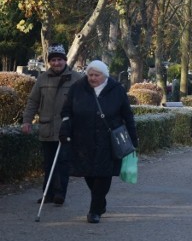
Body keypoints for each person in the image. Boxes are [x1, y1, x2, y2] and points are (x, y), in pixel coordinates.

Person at [59, 60, 138, 223]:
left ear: (105, 76)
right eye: (90, 74)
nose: (92, 78)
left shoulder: (117, 90)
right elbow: (66, 110)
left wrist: (133, 138)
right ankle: (100, 201)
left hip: (108, 140)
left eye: (96, 75)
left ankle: (94, 210)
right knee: (88, 173)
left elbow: (127, 115)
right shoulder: (77, 88)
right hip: (83, 138)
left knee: (104, 174)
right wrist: (65, 126)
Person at [22, 44, 83, 205]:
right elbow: (33, 101)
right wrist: (27, 121)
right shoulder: (42, 78)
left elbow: (85, 103)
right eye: (53, 60)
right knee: (48, 163)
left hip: (67, 128)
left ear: (65, 60)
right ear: (49, 62)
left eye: (59, 60)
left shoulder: (77, 78)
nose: (56, 63)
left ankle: (60, 193)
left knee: (63, 162)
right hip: (47, 128)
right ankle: (47, 194)